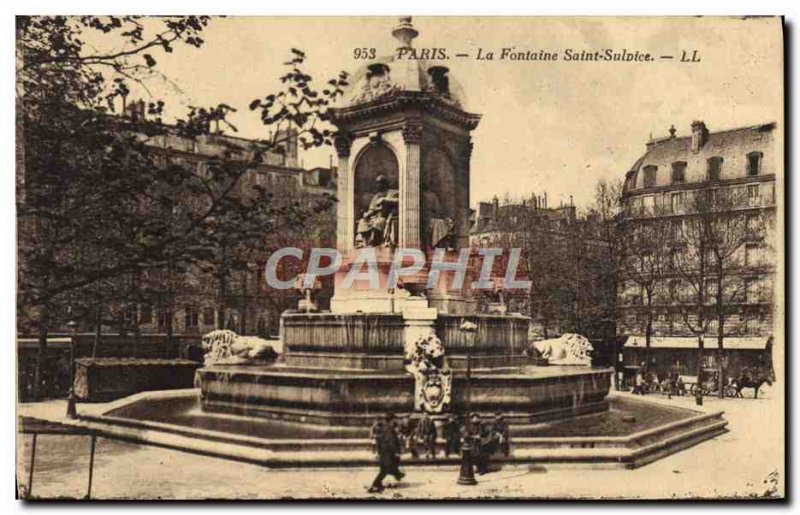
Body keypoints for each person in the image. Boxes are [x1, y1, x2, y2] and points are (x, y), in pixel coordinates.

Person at [368, 414, 405, 493]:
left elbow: (379, 440)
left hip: (383, 452)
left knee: (384, 469)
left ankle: (395, 475)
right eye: (394, 420)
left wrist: (378, 451)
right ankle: (375, 484)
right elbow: (391, 441)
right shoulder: (389, 429)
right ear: (391, 420)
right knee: (385, 470)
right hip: (388, 453)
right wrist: (396, 452)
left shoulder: (383, 428)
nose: (395, 421)